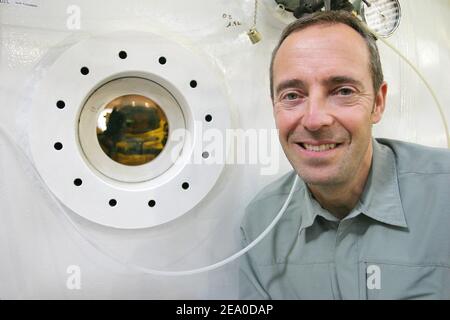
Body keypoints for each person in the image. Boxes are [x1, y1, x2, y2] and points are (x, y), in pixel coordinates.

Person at [239, 10, 450, 299]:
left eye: (343, 91)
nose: (314, 120)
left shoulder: (443, 196)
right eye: (292, 95)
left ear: (377, 102)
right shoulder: (261, 224)